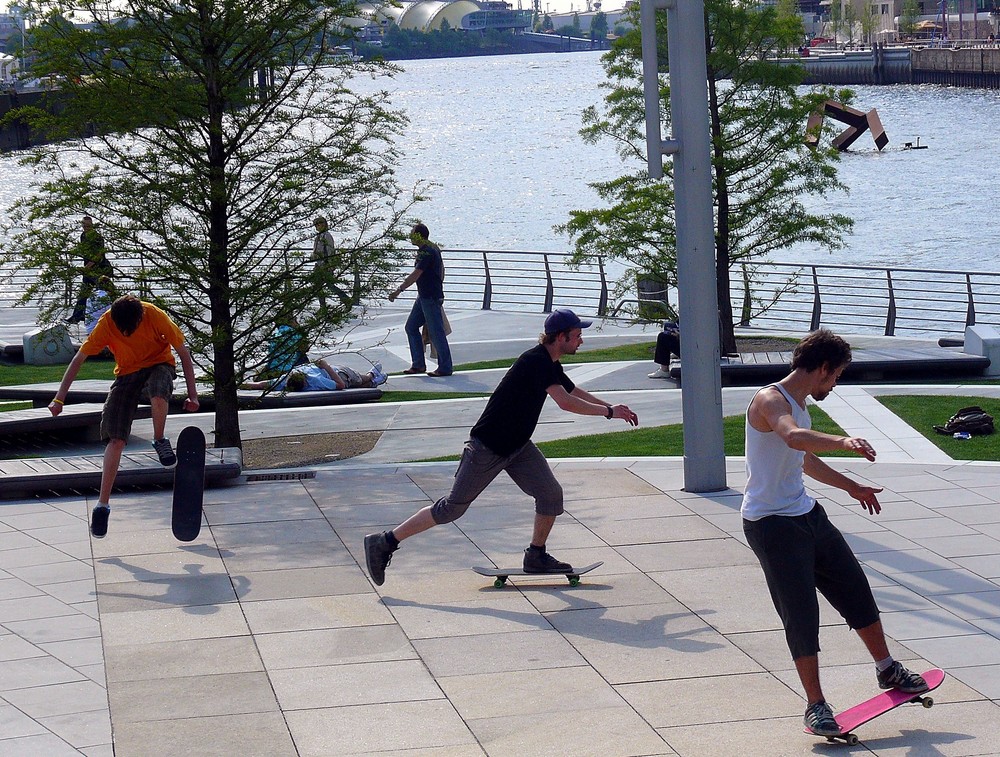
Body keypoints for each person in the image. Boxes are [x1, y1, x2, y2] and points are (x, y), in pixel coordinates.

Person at [741, 329, 928, 738]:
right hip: (770, 524)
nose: (836, 382)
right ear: (823, 368)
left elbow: (802, 459)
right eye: (837, 374)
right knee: (801, 614)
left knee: (856, 592)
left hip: (807, 515)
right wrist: (843, 440)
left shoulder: (800, 405)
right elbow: (792, 437)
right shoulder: (771, 400)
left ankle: (887, 669)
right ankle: (815, 705)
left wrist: (852, 486)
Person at [363, 309, 639, 586]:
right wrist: (608, 413)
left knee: (551, 495)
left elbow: (571, 391)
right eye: (577, 335)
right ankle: (385, 542)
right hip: (488, 448)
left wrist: (610, 407)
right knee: (451, 509)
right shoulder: (535, 361)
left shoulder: (550, 362)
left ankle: (536, 555)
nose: (581, 341)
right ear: (560, 337)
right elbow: (565, 402)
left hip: (518, 446)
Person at [49, 295, 200, 538]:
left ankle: (159, 439)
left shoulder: (155, 315)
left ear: (141, 316)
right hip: (127, 374)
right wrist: (59, 398)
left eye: (132, 329)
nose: (127, 334)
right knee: (115, 439)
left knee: (159, 391)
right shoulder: (107, 322)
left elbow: (183, 352)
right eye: (123, 331)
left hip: (159, 364)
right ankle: (102, 505)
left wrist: (193, 396)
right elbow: (79, 358)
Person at [388, 223, 453, 377]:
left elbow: (416, 274)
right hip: (423, 296)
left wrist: (399, 290)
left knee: (436, 332)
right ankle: (418, 364)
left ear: (419, 235)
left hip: (430, 297)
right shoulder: (429, 249)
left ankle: (445, 367)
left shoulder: (428, 251)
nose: (410, 236)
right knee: (411, 327)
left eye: (412, 233)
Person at [69, 216, 115, 324]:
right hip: (88, 271)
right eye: (84, 225)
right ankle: (77, 316)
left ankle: (113, 315)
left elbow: (99, 255)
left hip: (100, 270)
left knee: (104, 294)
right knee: (83, 294)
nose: (85, 227)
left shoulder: (98, 237)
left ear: (92, 225)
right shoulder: (83, 236)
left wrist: (87, 267)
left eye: (88, 225)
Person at [242, 358, 387, 391]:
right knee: (361, 379)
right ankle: (372, 375)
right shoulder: (315, 380)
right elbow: (340, 385)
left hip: (330, 373)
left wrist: (239, 384)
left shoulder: (284, 381)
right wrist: (327, 367)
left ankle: (374, 381)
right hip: (337, 374)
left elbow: (261, 384)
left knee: (362, 384)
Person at [311, 216, 336, 311]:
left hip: (325, 264)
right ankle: (323, 307)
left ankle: (345, 300)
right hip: (319, 264)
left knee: (329, 285)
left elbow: (330, 250)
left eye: (320, 224)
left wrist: (329, 264)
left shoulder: (326, 236)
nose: (318, 226)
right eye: (316, 225)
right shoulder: (319, 236)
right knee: (318, 286)